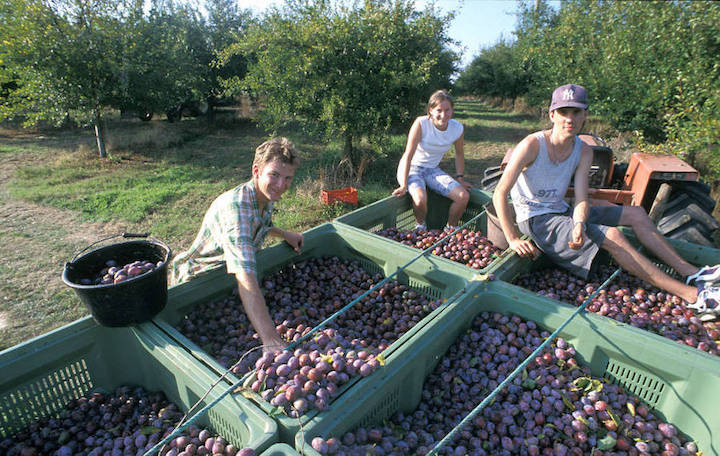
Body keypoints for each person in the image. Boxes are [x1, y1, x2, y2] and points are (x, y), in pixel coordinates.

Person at [493, 83, 720, 321]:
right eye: (563, 112)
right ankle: (694, 297)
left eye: (576, 112)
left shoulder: (583, 151)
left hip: (562, 210)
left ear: (585, 115)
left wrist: (579, 222)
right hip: (536, 218)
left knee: (636, 214)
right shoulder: (532, 145)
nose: (569, 119)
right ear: (552, 115)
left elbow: (581, 197)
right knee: (613, 235)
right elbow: (500, 191)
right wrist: (513, 238)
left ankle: (693, 273)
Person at [171, 137, 304, 351]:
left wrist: (284, 234)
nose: (281, 185)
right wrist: (270, 339)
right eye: (274, 175)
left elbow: (259, 225)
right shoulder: (236, 210)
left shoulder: (263, 197)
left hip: (226, 279)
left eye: (288, 178)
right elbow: (245, 277)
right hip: (200, 282)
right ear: (256, 171)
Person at [393, 90, 471, 231]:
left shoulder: (457, 128)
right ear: (430, 110)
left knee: (463, 196)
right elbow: (408, 155)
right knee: (421, 199)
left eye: (447, 110)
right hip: (413, 167)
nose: (443, 115)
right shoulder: (421, 124)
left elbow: (459, 153)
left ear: (452, 110)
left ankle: (450, 229)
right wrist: (403, 184)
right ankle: (421, 226)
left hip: (432, 170)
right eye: (439, 110)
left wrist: (460, 178)